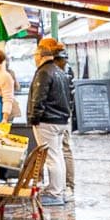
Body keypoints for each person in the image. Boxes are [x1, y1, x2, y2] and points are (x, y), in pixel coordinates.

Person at [27, 35, 74, 207]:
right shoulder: (60, 71)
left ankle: (55, 193)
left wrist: (34, 118)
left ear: (39, 56)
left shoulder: (44, 72)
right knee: (58, 156)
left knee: (52, 157)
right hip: (60, 120)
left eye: (34, 56)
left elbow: (39, 98)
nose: (34, 60)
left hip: (48, 121)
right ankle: (59, 190)